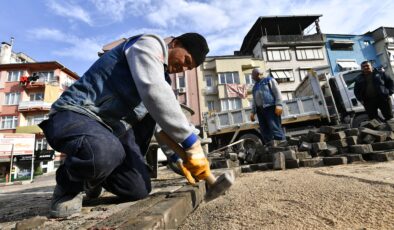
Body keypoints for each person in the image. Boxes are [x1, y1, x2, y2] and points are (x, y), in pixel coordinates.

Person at [39, 33, 210, 218]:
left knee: (137, 188)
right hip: (75, 114)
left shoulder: (162, 81)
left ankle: (92, 177)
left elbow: (162, 121)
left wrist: (178, 158)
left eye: (188, 68)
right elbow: (155, 92)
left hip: (107, 131)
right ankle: (68, 188)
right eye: (186, 60)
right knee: (105, 152)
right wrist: (192, 143)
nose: (182, 68)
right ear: (175, 43)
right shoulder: (148, 44)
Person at [249, 68, 285, 144]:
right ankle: (269, 144)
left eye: (253, 76)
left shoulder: (269, 80)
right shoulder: (255, 87)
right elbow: (254, 100)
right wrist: (253, 112)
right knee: (264, 129)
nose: (252, 78)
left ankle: (280, 143)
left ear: (258, 74)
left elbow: (277, 92)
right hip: (260, 110)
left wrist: (278, 105)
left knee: (274, 126)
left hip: (270, 107)